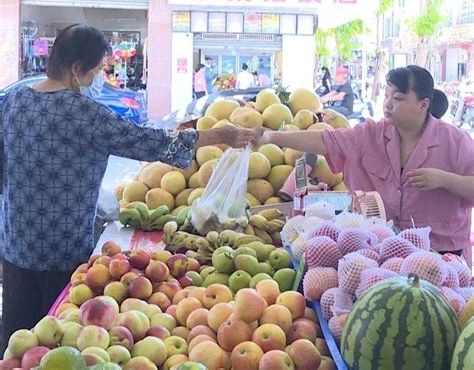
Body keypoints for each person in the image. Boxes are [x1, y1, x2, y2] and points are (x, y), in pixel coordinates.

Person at [0, 24, 259, 351]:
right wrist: (218, 135)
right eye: (98, 70)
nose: (99, 79)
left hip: (15, 246)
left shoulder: (14, 100)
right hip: (61, 249)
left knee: (16, 344)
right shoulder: (85, 113)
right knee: (55, 342)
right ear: (78, 69)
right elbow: (148, 142)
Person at [258, 65, 474, 264]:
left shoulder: (456, 142)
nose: (388, 104)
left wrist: (445, 179)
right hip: (385, 252)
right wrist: (270, 137)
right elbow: (326, 140)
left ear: (423, 104)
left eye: (397, 98)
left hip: (443, 253)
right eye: (387, 95)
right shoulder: (372, 134)